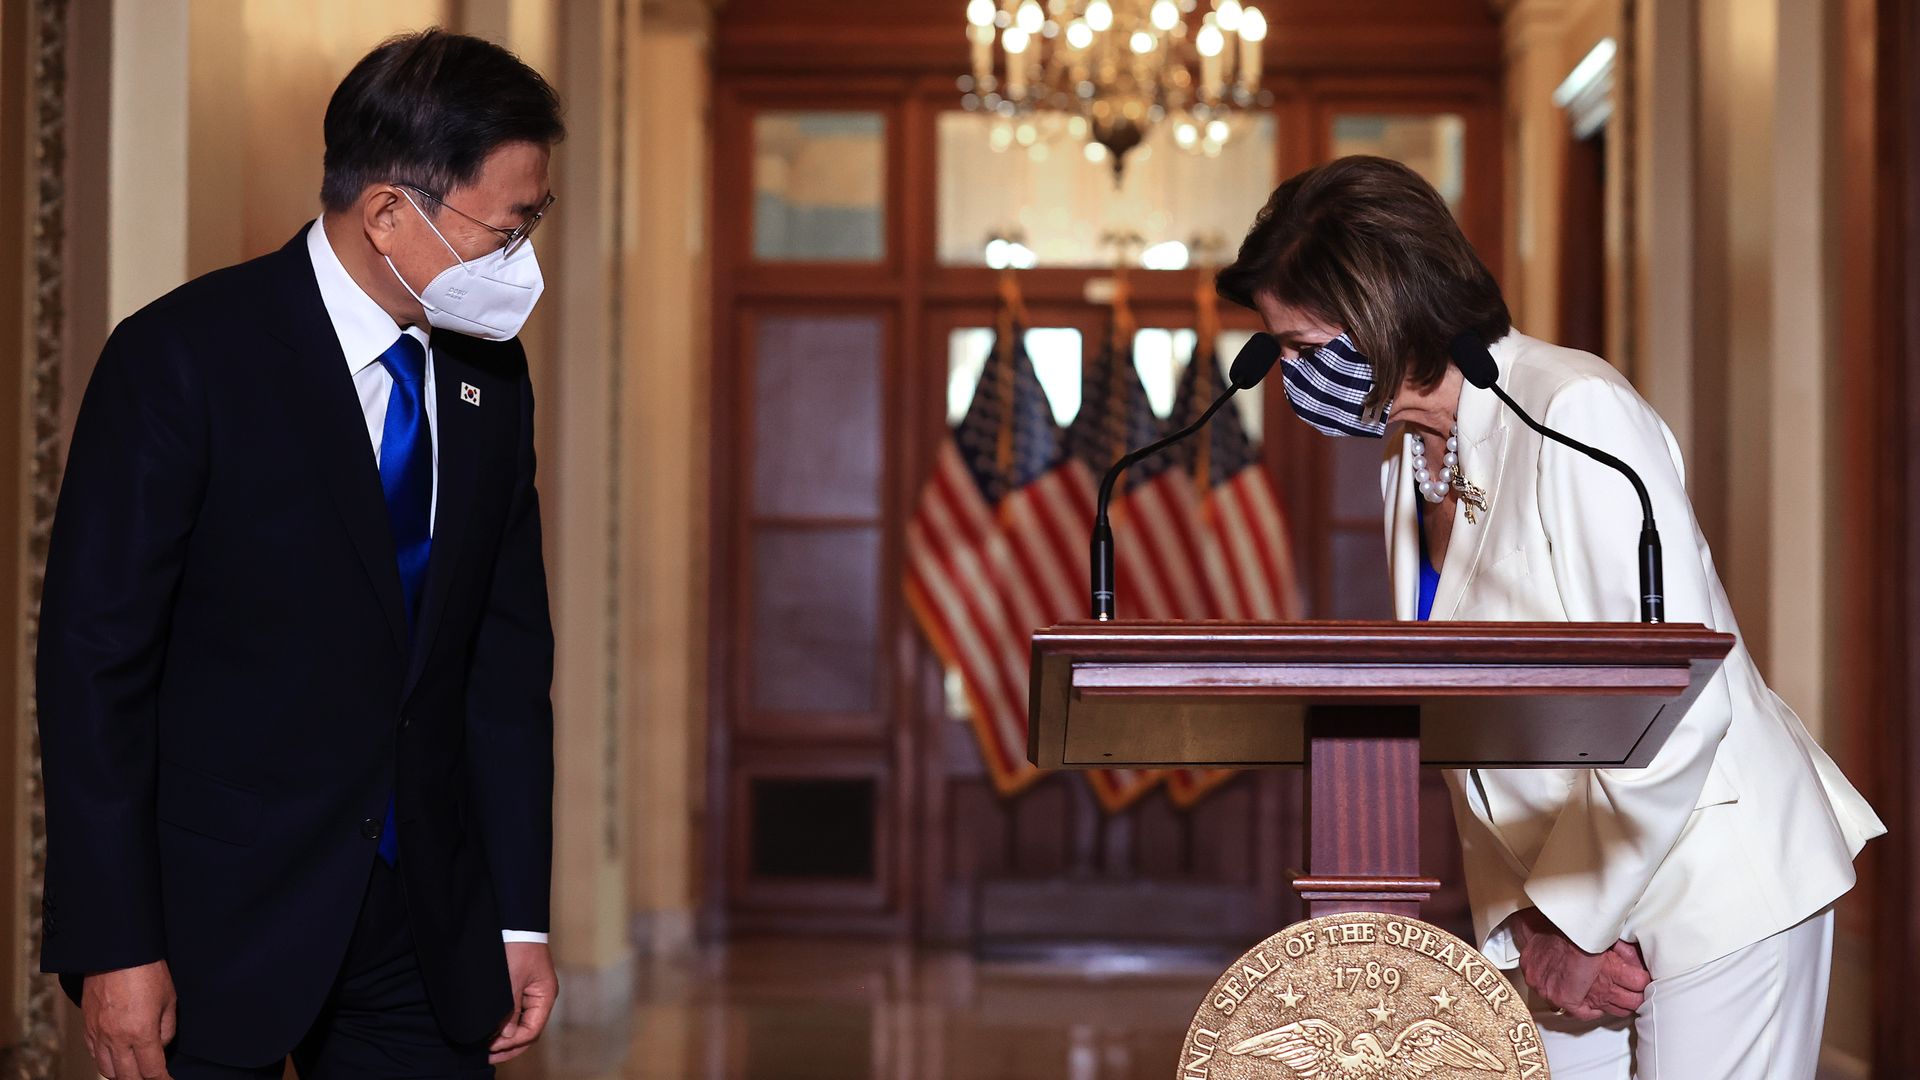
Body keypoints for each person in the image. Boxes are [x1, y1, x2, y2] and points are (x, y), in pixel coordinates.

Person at [1217, 155, 1885, 1080]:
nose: (1285, 376)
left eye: (1299, 347)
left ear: (1384, 310)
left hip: (1713, 873)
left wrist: (1577, 922)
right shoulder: (1405, 466)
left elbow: (1676, 700)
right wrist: (1531, 924)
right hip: (1565, 903)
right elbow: (1473, 735)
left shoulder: (1577, 413)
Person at [38, 29, 563, 1078]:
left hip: (424, 931)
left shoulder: (490, 386)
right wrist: (116, 942)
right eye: (507, 225)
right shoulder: (181, 360)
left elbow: (502, 672)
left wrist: (515, 916)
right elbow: (95, 668)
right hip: (213, 924)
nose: (520, 254)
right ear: (386, 213)